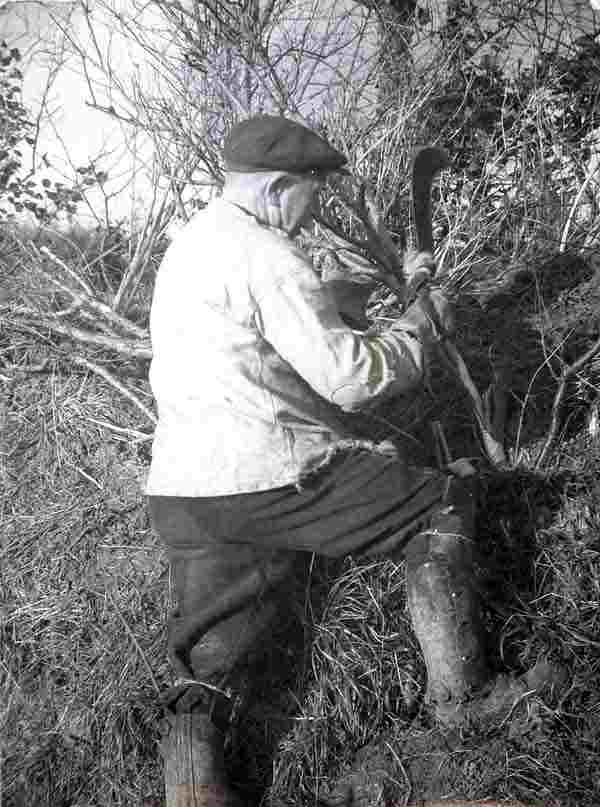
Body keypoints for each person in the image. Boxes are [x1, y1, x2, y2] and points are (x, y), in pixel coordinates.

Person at [146, 115, 494, 804]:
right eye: (314, 192)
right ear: (279, 187)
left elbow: (278, 317)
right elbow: (350, 378)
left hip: (185, 492)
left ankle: (194, 796)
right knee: (440, 499)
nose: (317, 207)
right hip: (271, 476)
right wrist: (419, 331)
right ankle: (466, 697)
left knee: (213, 656)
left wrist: (380, 293)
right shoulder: (270, 255)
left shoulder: (195, 243)